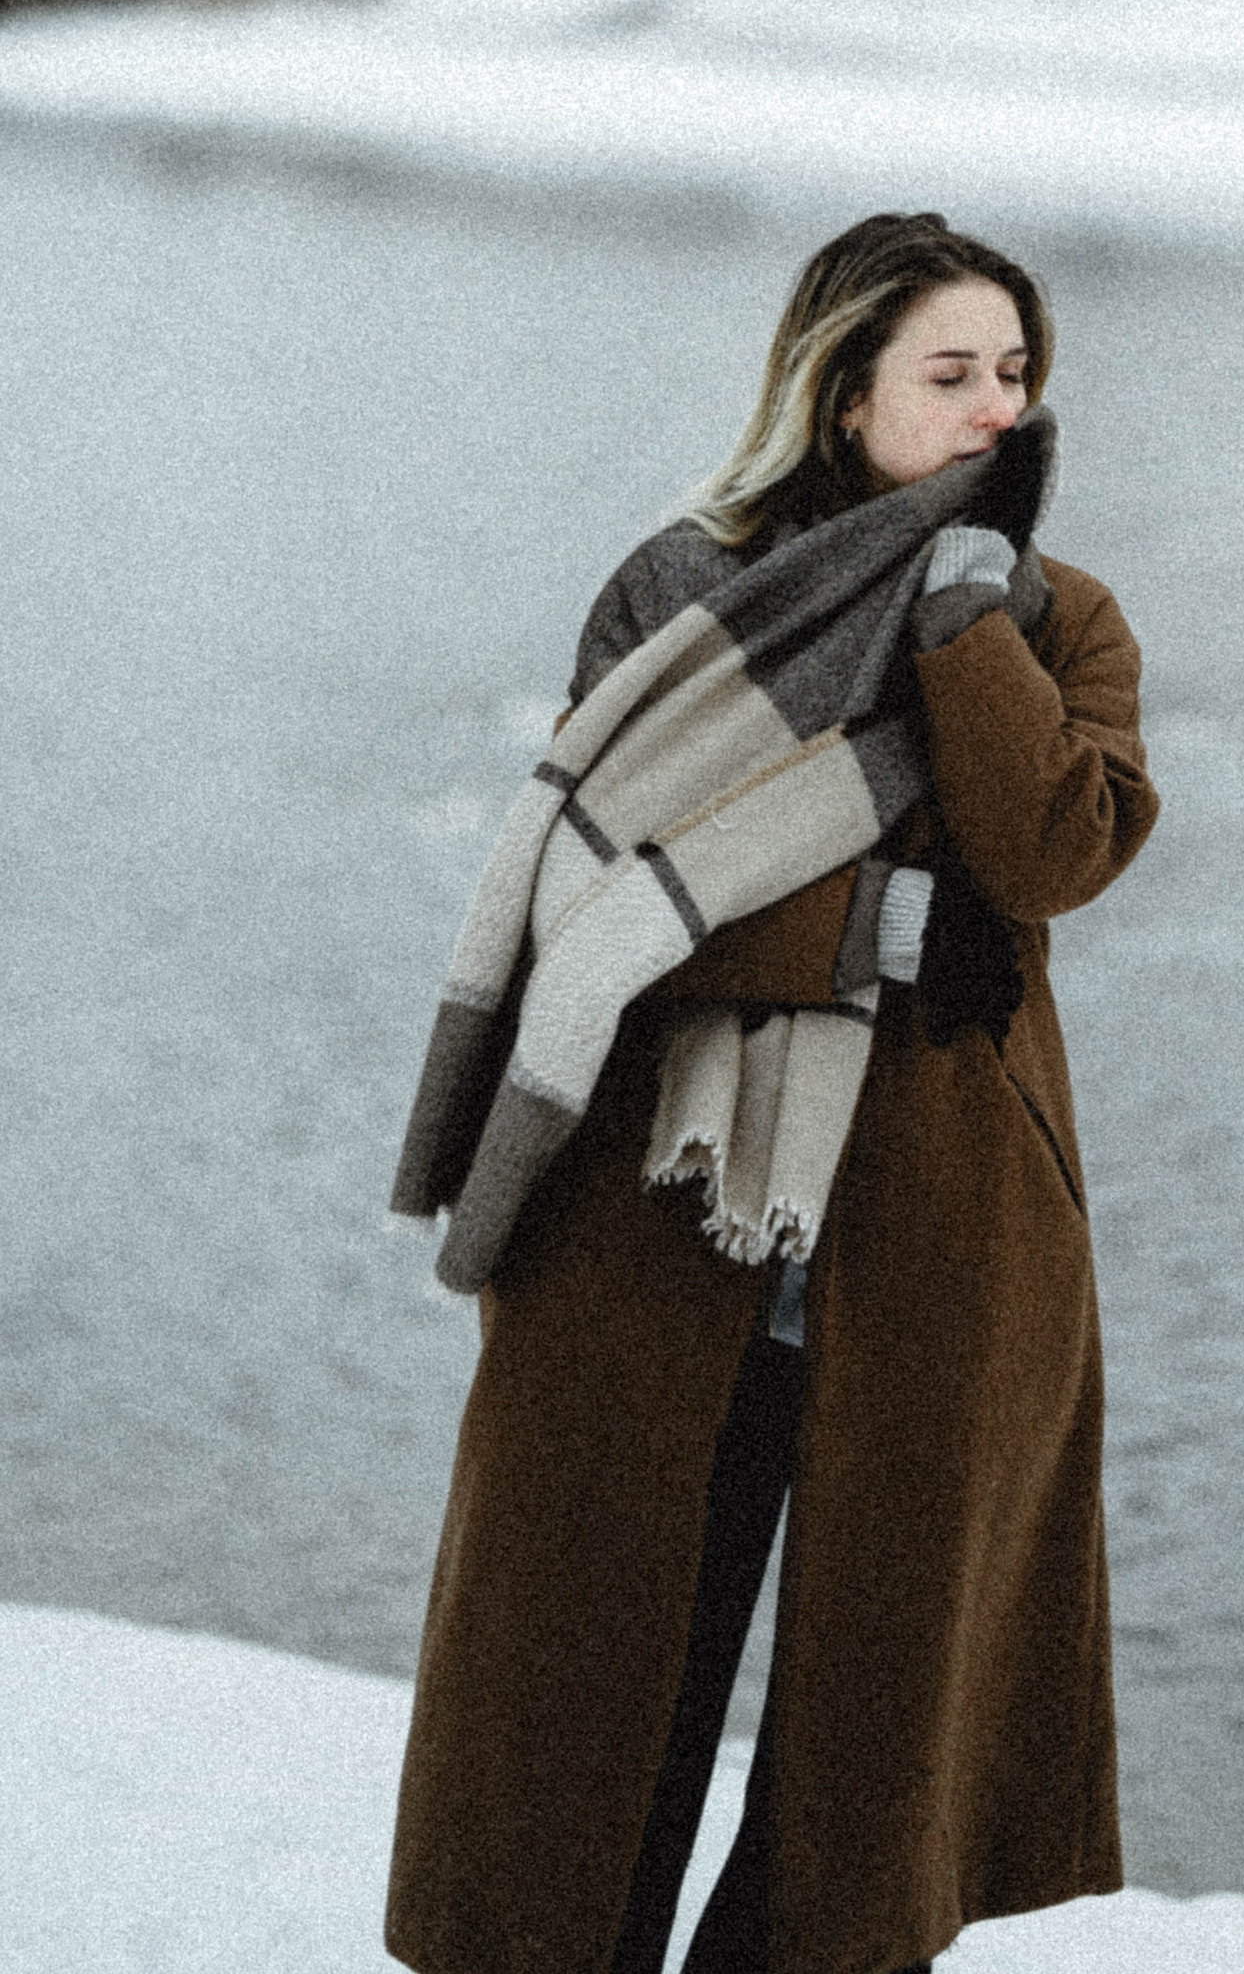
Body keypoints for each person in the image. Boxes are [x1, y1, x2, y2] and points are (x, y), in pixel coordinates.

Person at [386, 212, 1157, 1974]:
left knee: (874, 1747)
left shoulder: (1060, 616)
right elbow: (605, 896)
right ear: (841, 392)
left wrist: (965, 621)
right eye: (946, 376)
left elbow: (1047, 852)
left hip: (936, 1238)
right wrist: (868, 929)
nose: (989, 412)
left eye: (1012, 377)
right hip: (660, 1211)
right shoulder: (681, 592)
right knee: (584, 1690)